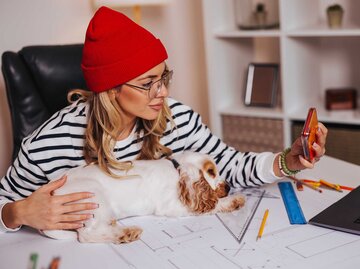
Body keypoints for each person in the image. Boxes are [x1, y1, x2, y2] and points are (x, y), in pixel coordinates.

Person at [0, 6, 327, 233]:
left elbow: (226, 167)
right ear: (110, 90)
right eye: (147, 84)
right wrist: (15, 213)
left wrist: (287, 161)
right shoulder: (47, 144)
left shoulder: (177, 118)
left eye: (163, 77)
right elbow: (5, 201)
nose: (162, 92)